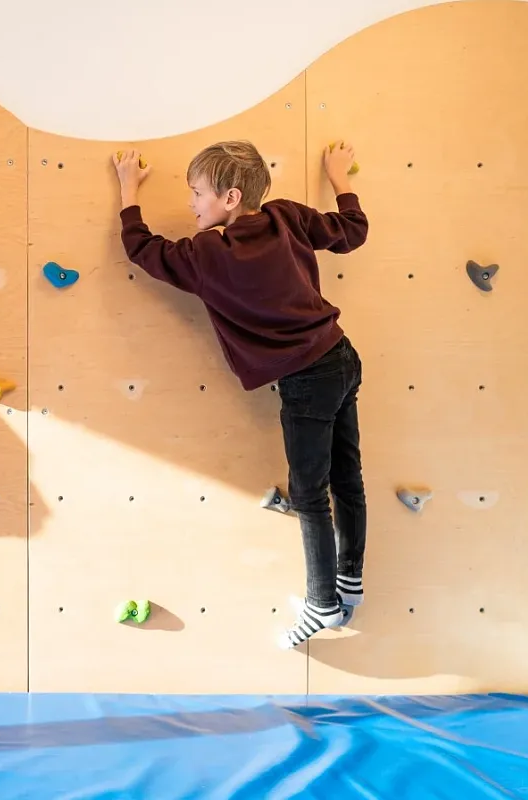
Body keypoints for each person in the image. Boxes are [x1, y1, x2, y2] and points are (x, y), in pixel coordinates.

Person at [112, 140, 370, 649]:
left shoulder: (208, 254)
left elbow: (143, 249)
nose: (191, 204)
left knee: (312, 495)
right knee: (348, 477)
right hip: (342, 357)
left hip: (305, 380)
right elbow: (352, 233)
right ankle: (349, 584)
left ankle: (322, 604)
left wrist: (127, 188)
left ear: (230, 198)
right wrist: (340, 179)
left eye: (197, 194)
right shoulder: (287, 217)